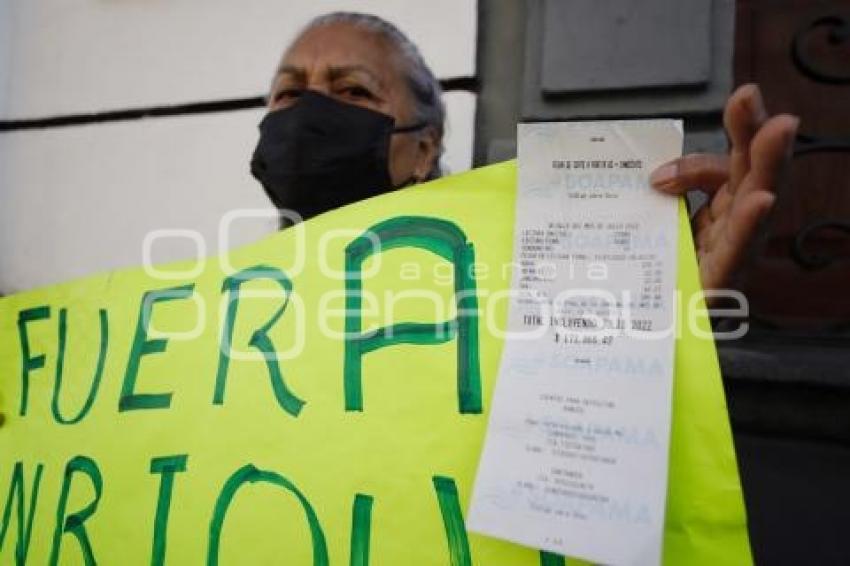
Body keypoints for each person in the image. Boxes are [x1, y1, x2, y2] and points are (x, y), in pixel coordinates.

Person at [250, 11, 799, 293]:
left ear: (424, 148)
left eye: (353, 91)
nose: (310, 115)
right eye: (290, 92)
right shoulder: (221, 307)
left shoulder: (514, 294)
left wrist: (662, 319)